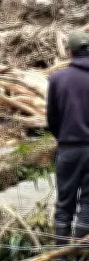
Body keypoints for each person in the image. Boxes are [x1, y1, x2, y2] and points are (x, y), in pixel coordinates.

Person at [47, 31, 89, 247]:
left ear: (70, 52)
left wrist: (63, 138)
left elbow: (51, 118)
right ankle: (82, 256)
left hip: (68, 148)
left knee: (64, 204)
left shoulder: (57, 78)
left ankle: (60, 258)